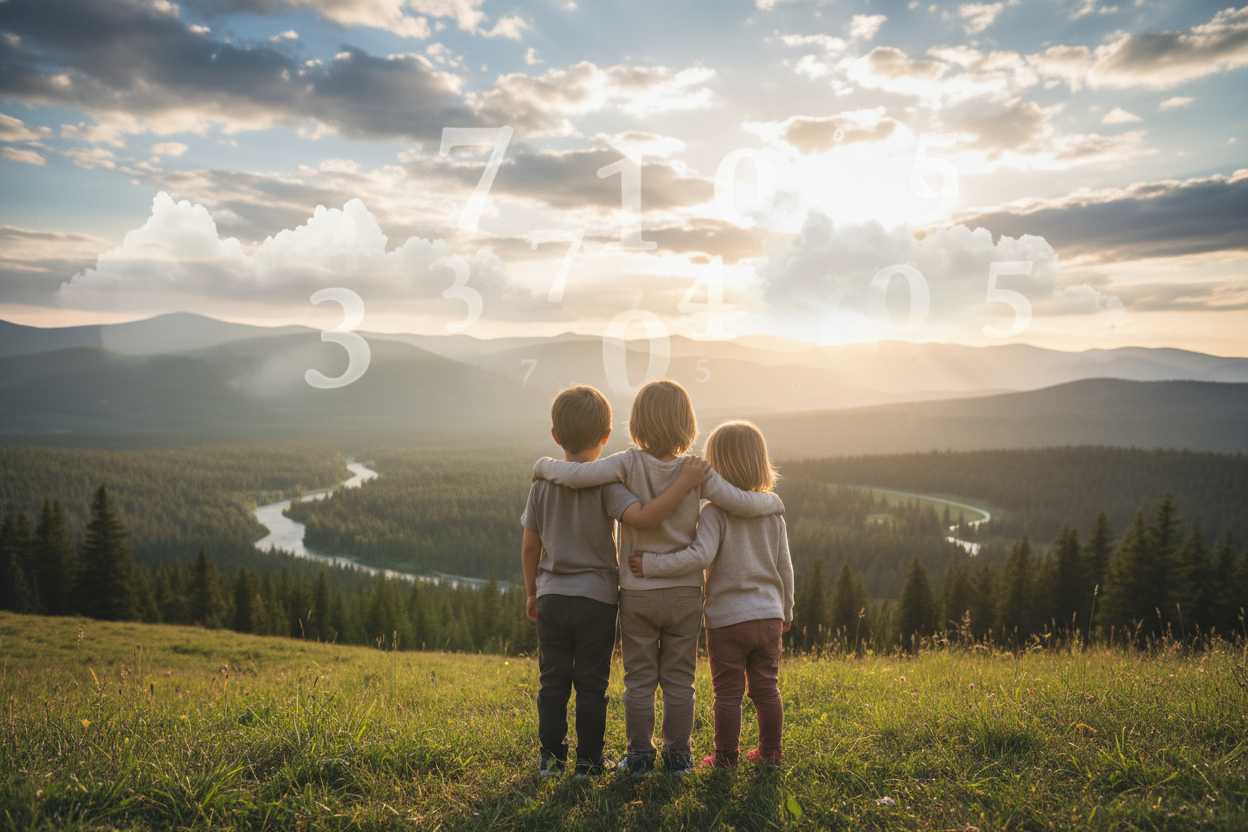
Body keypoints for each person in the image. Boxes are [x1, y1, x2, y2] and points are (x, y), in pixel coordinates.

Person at [531, 380, 784, 777]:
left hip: (637, 591)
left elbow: (579, 475)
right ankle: (679, 758)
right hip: (685, 592)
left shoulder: (626, 463)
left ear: (637, 422)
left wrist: (543, 466)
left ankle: (639, 758)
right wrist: (773, 502)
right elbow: (739, 500)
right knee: (681, 681)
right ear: (688, 424)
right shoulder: (695, 469)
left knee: (640, 681)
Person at [521, 384, 712, 779]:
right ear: (606, 435)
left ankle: (560, 760)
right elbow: (641, 516)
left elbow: (531, 544)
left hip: (577, 595)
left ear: (556, 436)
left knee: (560, 681)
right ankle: (605, 763)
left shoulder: (556, 483)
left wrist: (531, 590)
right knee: (607, 683)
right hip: (613, 599)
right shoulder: (618, 483)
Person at [628, 419, 793, 769]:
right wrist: (787, 610)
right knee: (766, 689)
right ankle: (771, 753)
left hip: (728, 621)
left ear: (716, 467)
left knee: (728, 694)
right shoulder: (773, 513)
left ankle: (726, 758)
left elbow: (700, 557)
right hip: (769, 617)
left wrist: (652, 564)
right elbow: (785, 568)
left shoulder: (715, 512)